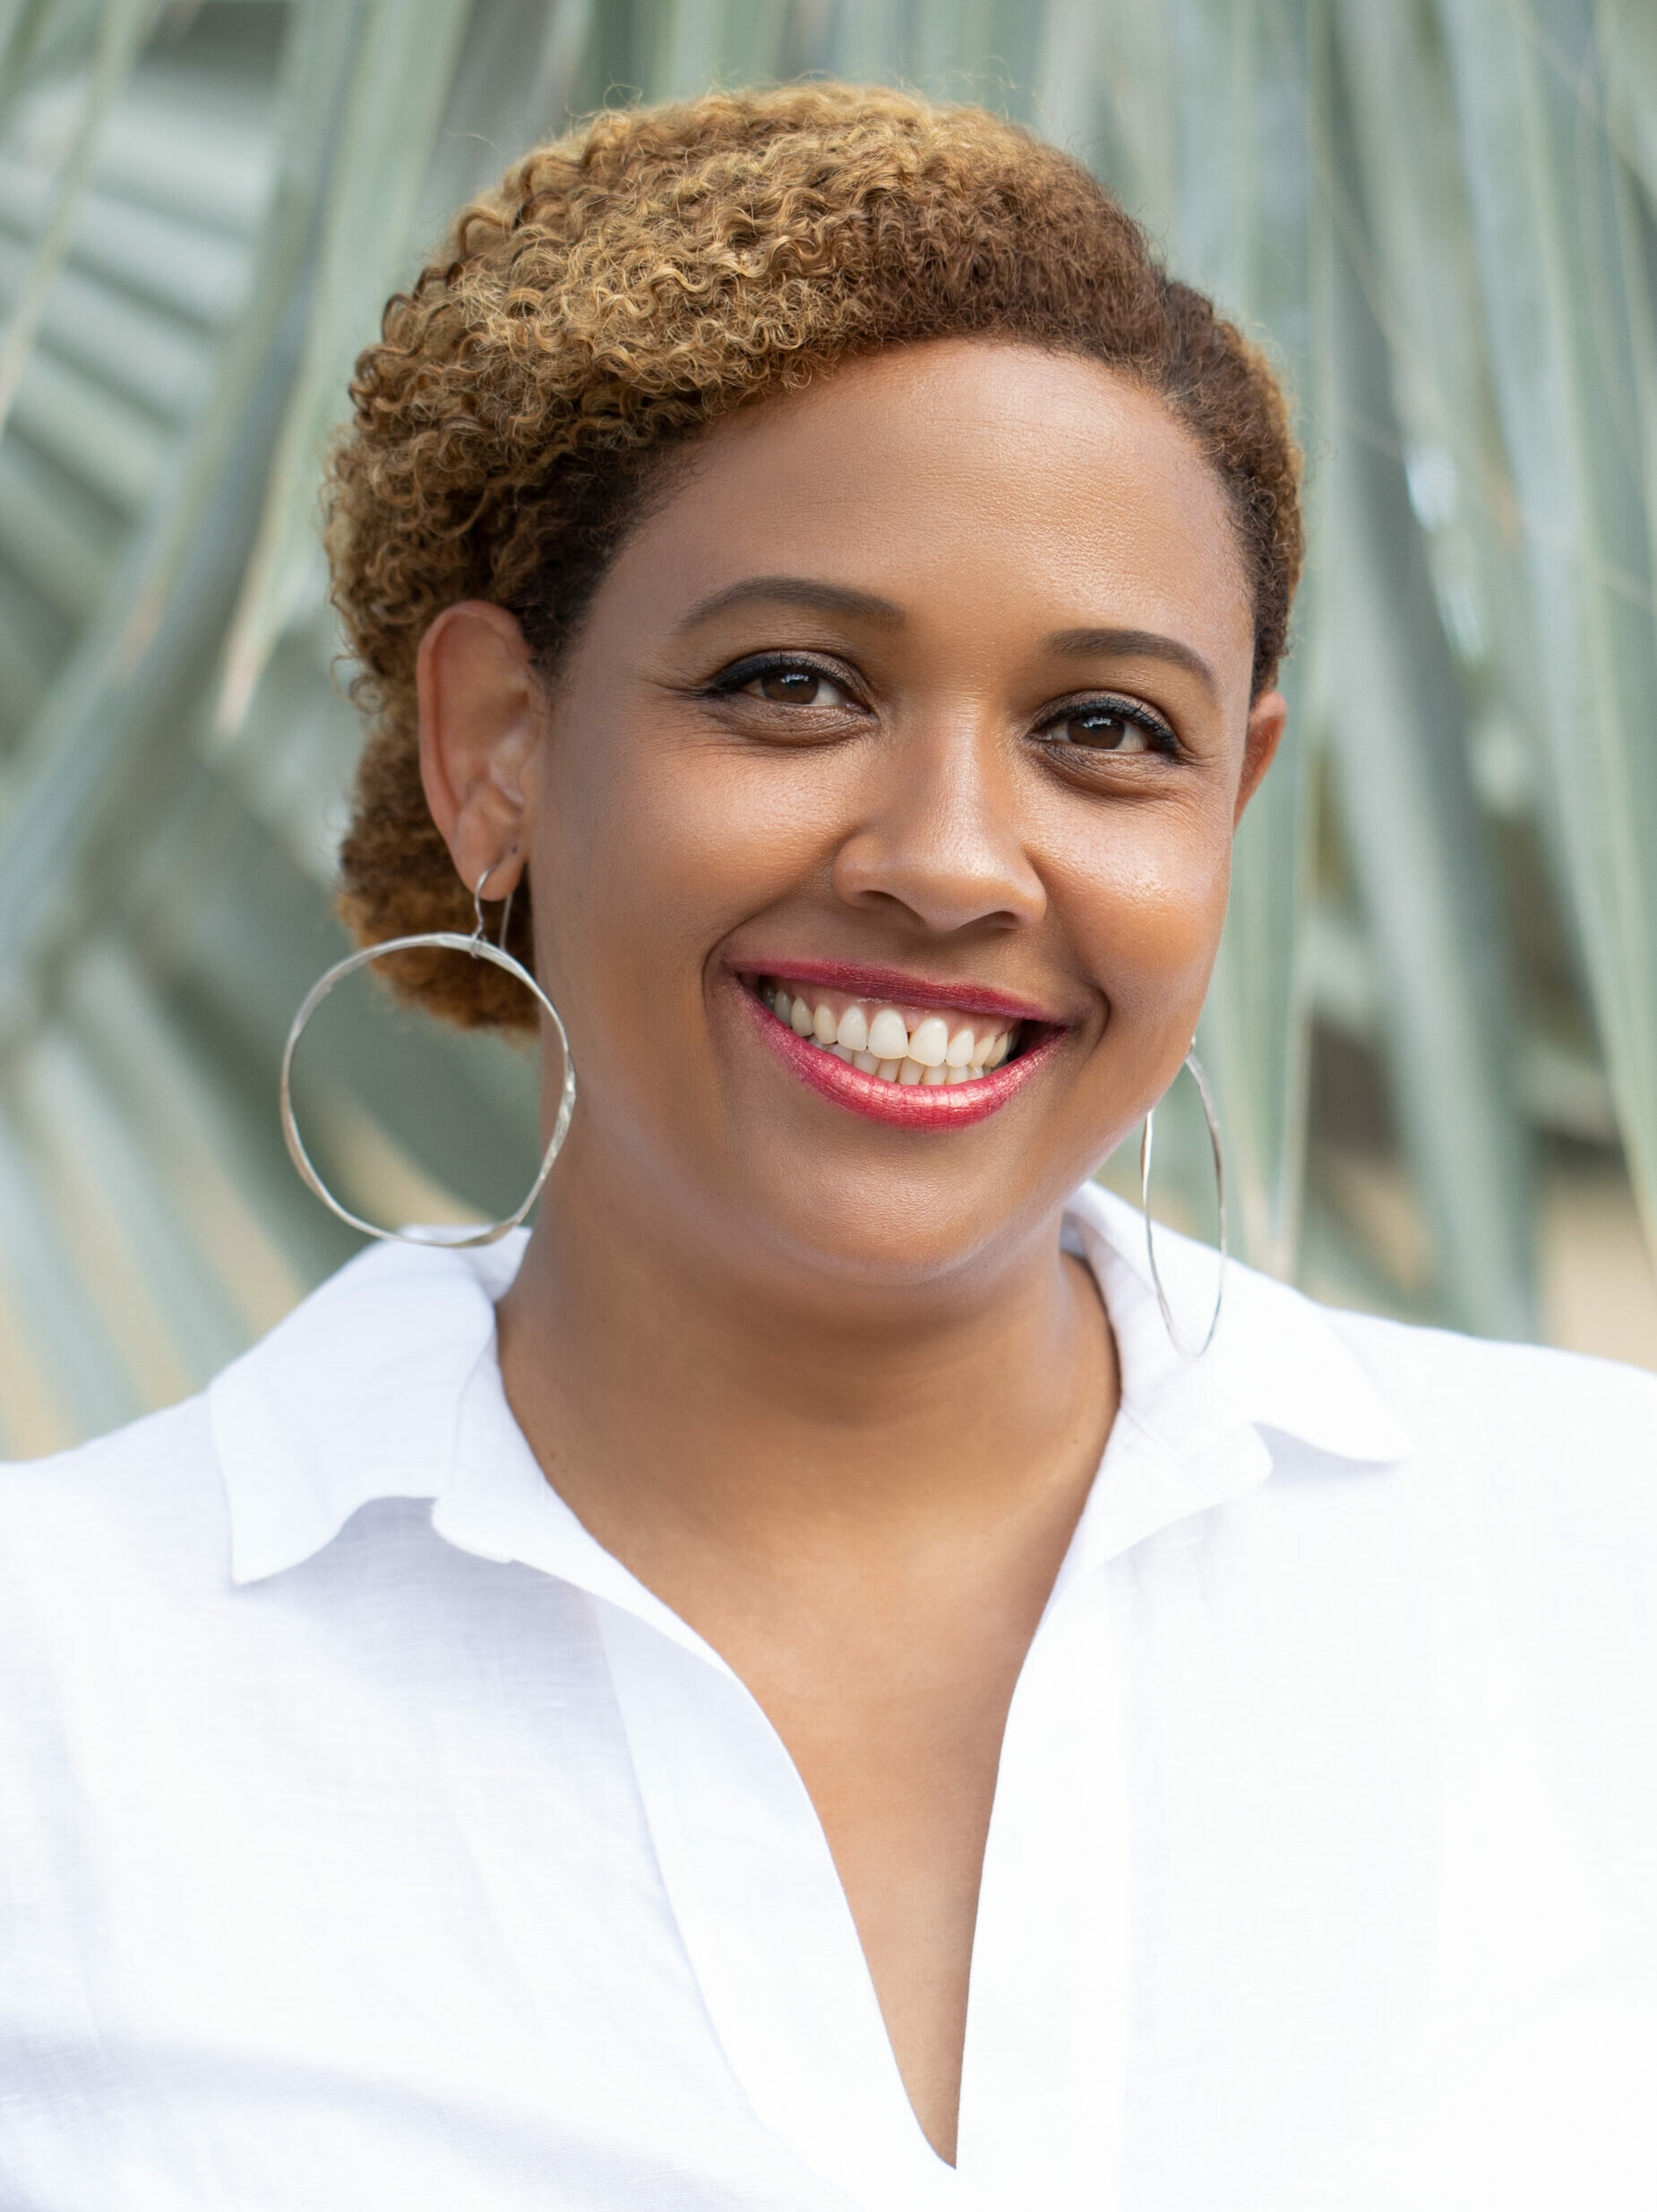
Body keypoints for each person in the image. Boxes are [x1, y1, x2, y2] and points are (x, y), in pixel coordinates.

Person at [4, 83, 1654, 2212]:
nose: (954, 862)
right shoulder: (60, 1691)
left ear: (1230, 798)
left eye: (1105, 731)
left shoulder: (1598, 1576)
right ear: (495, 747)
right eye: (790, 684)